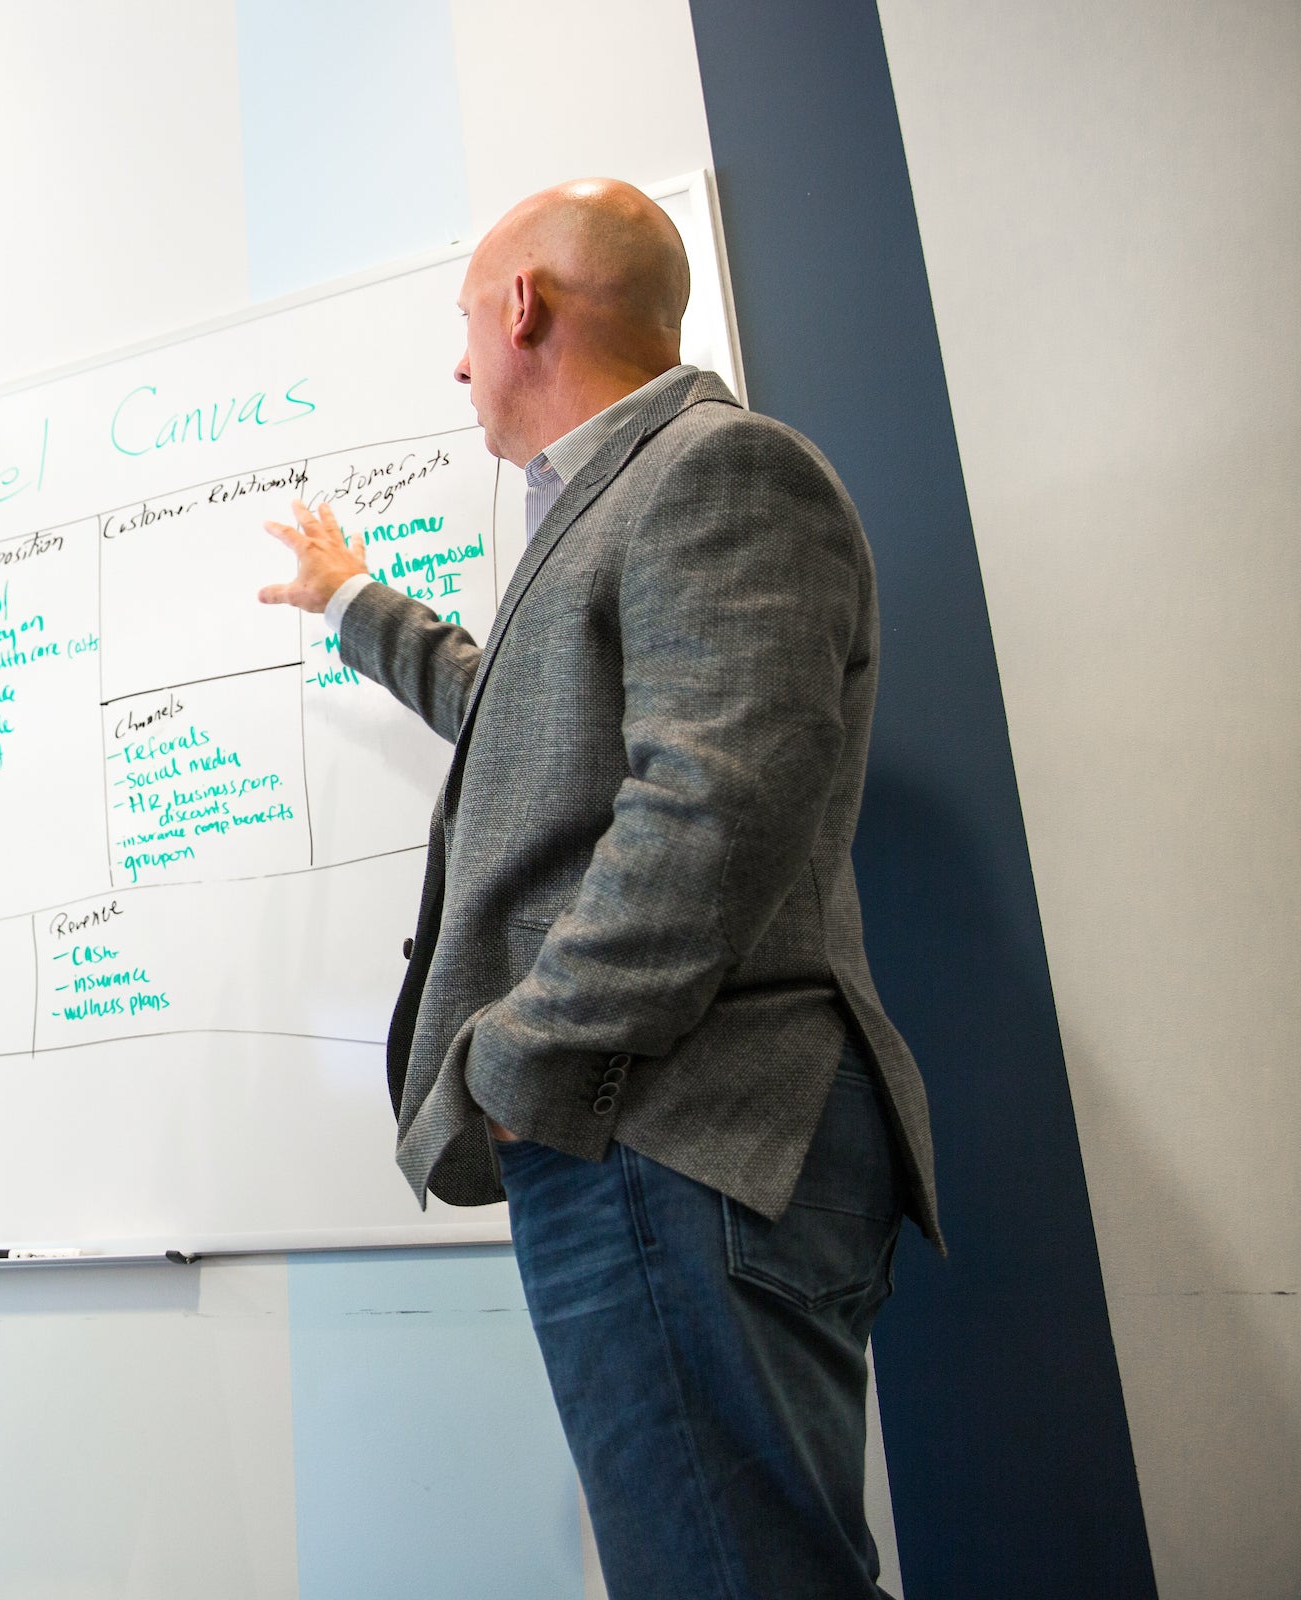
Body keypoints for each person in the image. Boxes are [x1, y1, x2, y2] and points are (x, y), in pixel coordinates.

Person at [261, 180, 941, 1598]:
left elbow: (709, 812)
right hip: (645, 1137)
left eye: (465, 323)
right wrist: (351, 604)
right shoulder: (626, 507)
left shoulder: (718, 472)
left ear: (524, 308)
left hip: (675, 1128)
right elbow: (517, 713)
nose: (459, 366)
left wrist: (517, 1061)